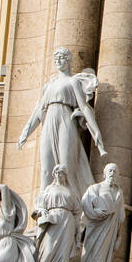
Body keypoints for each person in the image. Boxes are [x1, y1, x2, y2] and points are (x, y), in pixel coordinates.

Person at [19, 47, 106, 202]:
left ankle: (71, 204)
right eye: (56, 58)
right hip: (49, 123)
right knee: (46, 167)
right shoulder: (48, 86)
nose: (58, 60)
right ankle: (43, 206)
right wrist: (25, 132)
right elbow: (38, 111)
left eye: (61, 57)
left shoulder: (73, 82)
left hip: (65, 121)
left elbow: (84, 106)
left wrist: (95, 130)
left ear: (69, 60)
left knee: (66, 166)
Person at [77, 163, 125, 262]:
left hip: (109, 233)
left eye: (115, 171)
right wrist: (97, 214)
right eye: (110, 171)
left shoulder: (118, 192)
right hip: (95, 230)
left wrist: (118, 237)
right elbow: (85, 207)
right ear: (104, 173)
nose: (112, 173)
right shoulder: (95, 188)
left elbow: (120, 218)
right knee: (90, 259)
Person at [33, 165, 83, 262]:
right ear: (54, 174)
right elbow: (39, 205)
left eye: (61, 172)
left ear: (65, 175)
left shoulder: (71, 191)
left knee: (64, 257)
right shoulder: (49, 189)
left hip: (67, 222)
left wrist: (77, 233)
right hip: (52, 221)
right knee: (46, 253)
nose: (59, 174)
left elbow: (77, 212)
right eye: (57, 172)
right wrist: (43, 212)